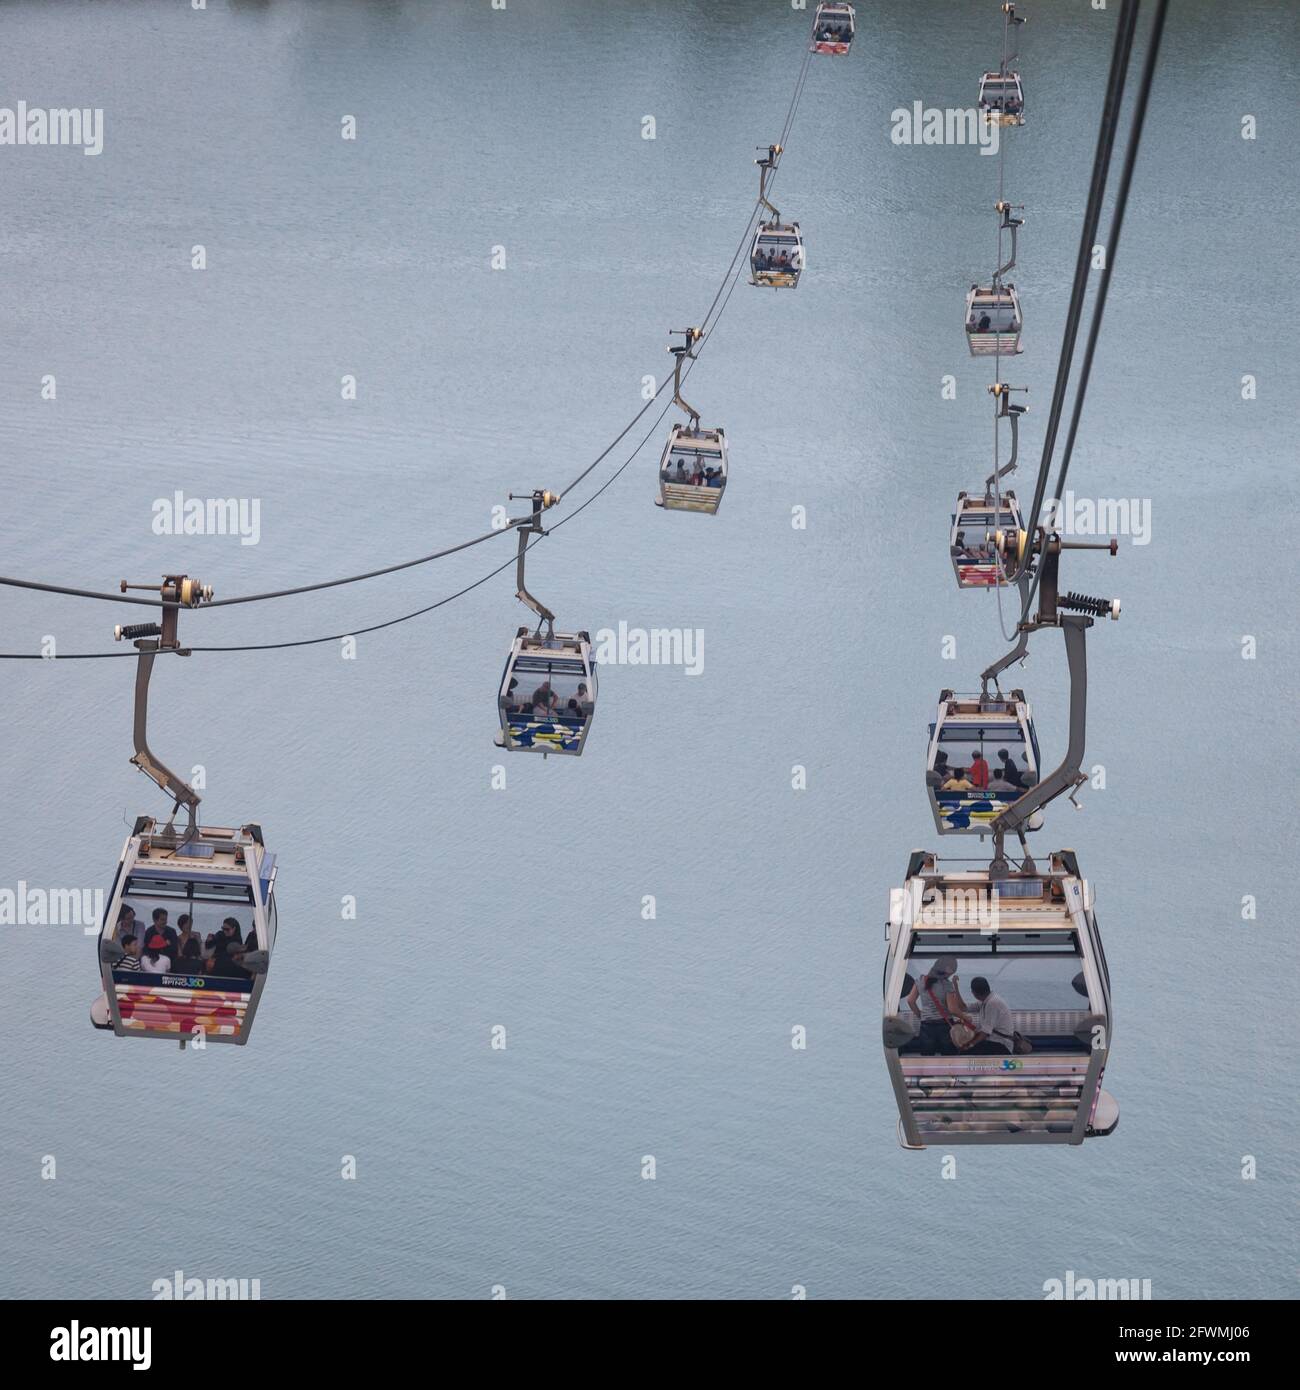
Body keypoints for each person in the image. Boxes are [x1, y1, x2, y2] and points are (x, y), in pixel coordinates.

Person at [906, 957, 972, 1056]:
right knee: (949, 1059)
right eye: (953, 970)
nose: (952, 973)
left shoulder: (920, 980)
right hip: (944, 1027)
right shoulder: (946, 984)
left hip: (926, 1027)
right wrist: (966, 1017)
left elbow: (910, 1001)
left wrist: (921, 1016)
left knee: (927, 1060)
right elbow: (952, 1009)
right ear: (947, 969)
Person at [961, 976, 1016, 1054]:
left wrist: (971, 1045)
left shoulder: (992, 1003)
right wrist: (956, 988)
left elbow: (985, 1032)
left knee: (966, 1052)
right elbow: (965, 1008)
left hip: (1001, 1044)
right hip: (993, 1041)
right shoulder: (986, 1000)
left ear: (974, 993)